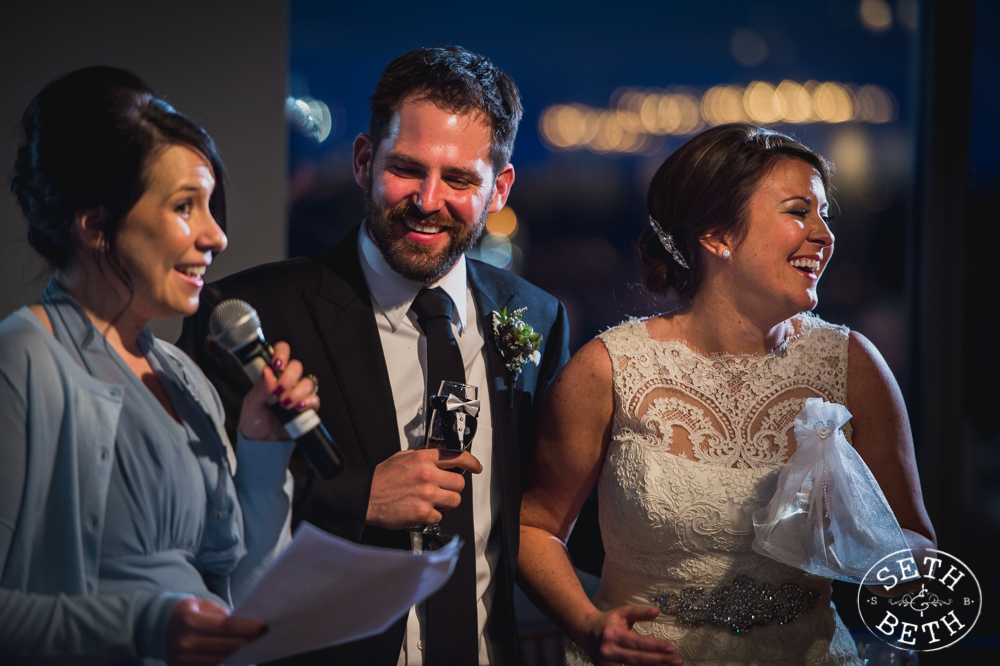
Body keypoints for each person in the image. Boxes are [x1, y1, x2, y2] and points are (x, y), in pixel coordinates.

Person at [179, 46, 570, 665]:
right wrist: (358, 498)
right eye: (407, 169)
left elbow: (545, 516)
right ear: (365, 161)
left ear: (499, 189)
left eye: (460, 179)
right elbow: (194, 512)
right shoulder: (251, 313)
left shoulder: (539, 319)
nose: (428, 199)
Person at [518, 124, 936, 666]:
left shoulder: (853, 366)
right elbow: (536, 527)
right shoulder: (608, 369)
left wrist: (868, 541)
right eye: (797, 212)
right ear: (718, 236)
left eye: (824, 214)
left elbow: (917, 551)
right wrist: (588, 624)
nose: (823, 235)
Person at [0, 67, 318, 665]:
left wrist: (263, 449)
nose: (217, 235)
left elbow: (238, 595)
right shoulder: (24, 359)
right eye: (184, 207)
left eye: (210, 207)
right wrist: (144, 625)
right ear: (96, 226)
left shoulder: (184, 376)